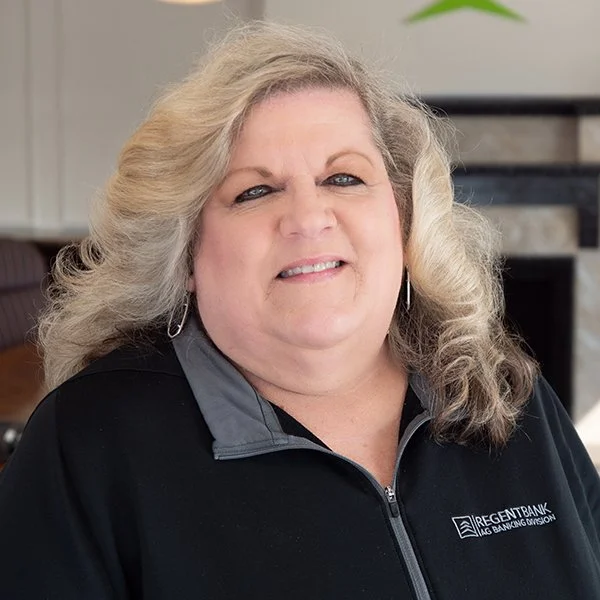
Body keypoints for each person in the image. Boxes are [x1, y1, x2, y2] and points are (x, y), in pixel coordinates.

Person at [0, 21, 598, 600]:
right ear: (184, 254)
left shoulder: (504, 394)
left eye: (344, 178)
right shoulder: (87, 444)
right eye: (255, 191)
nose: (309, 218)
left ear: (405, 221)